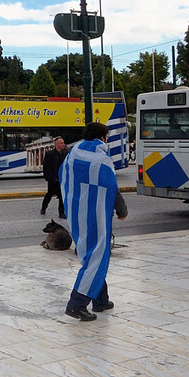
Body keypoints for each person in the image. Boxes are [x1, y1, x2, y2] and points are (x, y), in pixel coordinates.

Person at [61, 122, 128, 322]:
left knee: (92, 255)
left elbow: (63, 177)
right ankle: (77, 304)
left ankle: (100, 300)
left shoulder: (72, 154)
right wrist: (122, 210)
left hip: (76, 213)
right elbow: (111, 188)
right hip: (96, 216)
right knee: (96, 257)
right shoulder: (102, 159)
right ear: (103, 137)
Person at [41, 137, 69, 219]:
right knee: (49, 194)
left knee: (61, 195)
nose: (63, 144)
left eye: (63, 142)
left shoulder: (66, 153)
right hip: (53, 178)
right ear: (56, 145)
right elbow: (46, 166)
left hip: (61, 178)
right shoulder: (49, 154)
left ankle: (61, 212)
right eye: (61, 143)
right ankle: (43, 207)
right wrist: (47, 176)